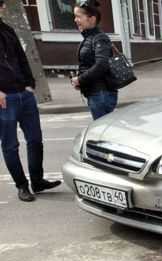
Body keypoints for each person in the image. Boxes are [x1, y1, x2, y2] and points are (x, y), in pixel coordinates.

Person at [0, 0, 60, 202]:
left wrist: (30, 85)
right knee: (10, 145)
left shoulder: (7, 30)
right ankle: (22, 186)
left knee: (35, 139)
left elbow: (21, 58)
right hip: (4, 98)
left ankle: (37, 180)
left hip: (24, 93)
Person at [71, 0, 117, 120]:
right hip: (96, 93)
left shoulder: (99, 38)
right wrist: (81, 82)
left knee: (102, 133)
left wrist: (80, 80)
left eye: (78, 17)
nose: (75, 20)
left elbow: (101, 65)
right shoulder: (89, 38)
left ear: (91, 19)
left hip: (101, 94)